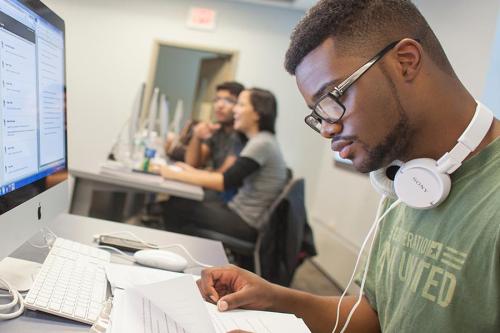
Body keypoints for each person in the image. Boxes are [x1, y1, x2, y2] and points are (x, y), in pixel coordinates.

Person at [196, 1, 500, 333]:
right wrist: (275, 298)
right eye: (318, 113)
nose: (327, 128)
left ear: (406, 61)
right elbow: (376, 315)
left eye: (332, 98)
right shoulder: (408, 182)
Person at [160, 88, 288, 243]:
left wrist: (174, 174)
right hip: (238, 214)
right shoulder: (262, 141)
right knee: (179, 203)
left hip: (245, 222)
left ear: (257, 113)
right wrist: (192, 171)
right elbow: (226, 176)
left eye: (241, 105)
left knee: (176, 207)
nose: (235, 109)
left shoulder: (262, 143)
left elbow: (224, 182)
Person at [185, 81, 245, 173]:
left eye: (229, 101)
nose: (220, 105)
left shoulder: (242, 134)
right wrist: (197, 136)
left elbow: (225, 176)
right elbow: (192, 163)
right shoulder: (217, 129)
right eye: (217, 100)